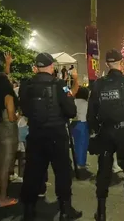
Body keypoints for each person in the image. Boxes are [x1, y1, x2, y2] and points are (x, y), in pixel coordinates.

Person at [19, 53, 82, 220]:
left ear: (37, 66)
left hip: (36, 135)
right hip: (56, 135)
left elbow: (25, 109)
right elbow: (71, 111)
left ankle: (29, 210)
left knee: (32, 172)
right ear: (51, 66)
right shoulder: (59, 84)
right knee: (62, 172)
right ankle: (65, 209)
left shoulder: (27, 85)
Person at [87, 49, 124, 221]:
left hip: (105, 132)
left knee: (104, 172)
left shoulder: (98, 84)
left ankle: (101, 212)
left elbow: (91, 112)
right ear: (121, 61)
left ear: (107, 64)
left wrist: (96, 131)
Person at [0, 73, 19, 207]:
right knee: (5, 168)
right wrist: (18, 115)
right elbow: (11, 117)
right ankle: (3, 198)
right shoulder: (8, 97)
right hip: (8, 134)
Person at [72, 87, 90, 168]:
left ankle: (79, 162)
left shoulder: (73, 102)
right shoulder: (86, 103)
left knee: (77, 145)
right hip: (83, 124)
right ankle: (81, 163)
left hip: (74, 124)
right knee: (83, 145)